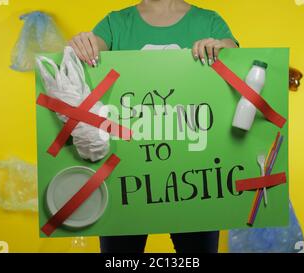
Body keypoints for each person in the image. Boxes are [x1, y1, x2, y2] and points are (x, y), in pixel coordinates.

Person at [69, 0, 238, 253]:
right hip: (126, 179)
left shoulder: (208, 21)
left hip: (196, 179)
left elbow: (235, 54)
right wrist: (81, 45)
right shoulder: (115, 24)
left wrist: (221, 48)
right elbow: (86, 57)